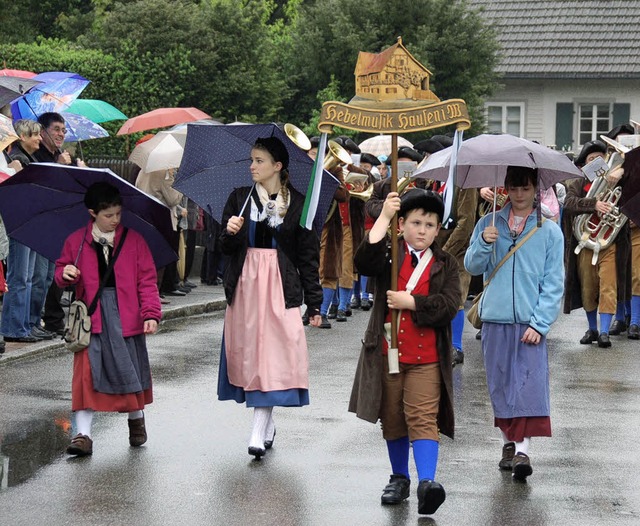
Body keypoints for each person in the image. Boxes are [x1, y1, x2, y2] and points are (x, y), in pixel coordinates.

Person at [349, 189, 460, 515]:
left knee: (423, 417)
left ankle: (427, 483)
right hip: (387, 351)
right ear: (402, 224)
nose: (422, 230)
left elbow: (450, 306)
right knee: (394, 417)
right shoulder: (389, 253)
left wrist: (413, 303)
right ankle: (399, 477)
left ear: (438, 229)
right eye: (415, 222)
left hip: (428, 358)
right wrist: (383, 216)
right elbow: (362, 262)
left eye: (429, 224)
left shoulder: (446, 263)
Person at [217, 136, 322, 459]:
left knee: (275, 356)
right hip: (247, 285)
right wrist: (229, 232)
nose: (252, 166)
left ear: (278, 166)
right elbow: (223, 248)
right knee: (255, 357)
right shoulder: (239, 199)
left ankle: (256, 432)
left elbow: (307, 255)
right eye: (252, 160)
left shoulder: (299, 203)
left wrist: (315, 302)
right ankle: (266, 422)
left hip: (281, 285)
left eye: (259, 161)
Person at [464, 166, 564, 482]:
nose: (519, 194)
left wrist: (541, 323)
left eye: (525, 187)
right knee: (501, 384)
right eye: (513, 187)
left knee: (528, 386)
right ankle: (507, 443)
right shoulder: (488, 223)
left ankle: (523, 449)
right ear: (505, 189)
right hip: (495, 319)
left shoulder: (549, 230)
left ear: (535, 189)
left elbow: (553, 282)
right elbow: (472, 266)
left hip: (529, 322)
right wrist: (483, 242)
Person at [55, 182, 161, 456]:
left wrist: (151, 314)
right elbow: (60, 272)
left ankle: (136, 418)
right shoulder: (75, 241)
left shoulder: (134, 240)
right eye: (108, 215)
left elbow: (147, 281)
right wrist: (65, 273)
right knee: (86, 377)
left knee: (130, 371)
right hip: (91, 319)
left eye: (118, 214)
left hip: (127, 317)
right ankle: (83, 434)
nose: (115, 220)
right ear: (92, 213)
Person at [562, 140, 629, 348]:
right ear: (584, 164)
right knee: (588, 288)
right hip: (585, 242)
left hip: (610, 242)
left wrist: (623, 169)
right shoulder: (578, 181)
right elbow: (569, 202)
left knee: (608, 286)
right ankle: (592, 328)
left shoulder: (618, 179)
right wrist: (594, 204)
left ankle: (604, 332)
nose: (596, 162)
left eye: (600, 158)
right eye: (591, 159)